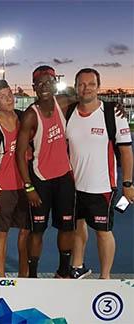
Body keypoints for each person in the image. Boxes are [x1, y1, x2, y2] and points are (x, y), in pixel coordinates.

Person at [66, 68, 133, 279]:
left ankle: (105, 277)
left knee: (103, 232)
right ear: (76, 86)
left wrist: (128, 184)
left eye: (91, 84)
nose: (86, 88)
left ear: (98, 87)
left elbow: (126, 151)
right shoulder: (68, 113)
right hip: (73, 185)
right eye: (81, 84)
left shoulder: (113, 113)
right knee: (77, 227)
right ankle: (78, 267)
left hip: (102, 186)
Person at [15, 65, 76, 278]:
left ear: (55, 83)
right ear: (33, 87)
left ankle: (63, 270)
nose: (44, 87)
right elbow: (19, 154)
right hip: (40, 180)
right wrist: (28, 186)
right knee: (37, 230)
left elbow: (90, 99)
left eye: (48, 82)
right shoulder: (31, 116)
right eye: (39, 84)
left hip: (64, 177)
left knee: (67, 227)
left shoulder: (63, 103)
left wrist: (114, 105)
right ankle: (33, 274)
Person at [0, 80, 29, 277]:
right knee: (1, 234)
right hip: (3, 187)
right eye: (2, 96)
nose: (9, 99)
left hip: (26, 185)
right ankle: (1, 276)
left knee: (26, 231)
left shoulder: (24, 118)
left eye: (9, 93)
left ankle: (23, 275)